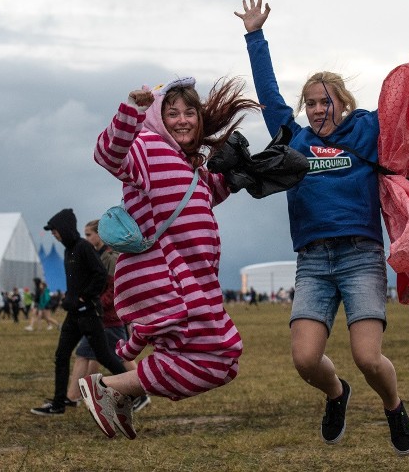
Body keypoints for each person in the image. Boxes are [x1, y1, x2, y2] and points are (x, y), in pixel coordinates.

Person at [234, 0, 409, 455]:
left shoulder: (368, 129)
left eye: (325, 100)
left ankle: (394, 407)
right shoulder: (291, 137)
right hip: (313, 261)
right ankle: (337, 394)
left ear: (343, 102)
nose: (318, 109)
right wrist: (256, 36)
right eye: (311, 102)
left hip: (360, 257)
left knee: (367, 357)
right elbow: (269, 92)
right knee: (305, 359)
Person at [86, 76, 260, 439]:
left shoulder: (187, 163)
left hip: (193, 278)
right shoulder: (147, 147)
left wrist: (238, 177)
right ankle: (112, 388)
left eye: (190, 112)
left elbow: (200, 198)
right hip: (166, 277)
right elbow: (108, 155)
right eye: (172, 113)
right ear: (158, 118)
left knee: (224, 357)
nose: (183, 120)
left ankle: (117, 391)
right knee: (215, 357)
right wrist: (131, 111)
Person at [30, 208, 128, 417]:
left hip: (89, 313)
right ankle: (58, 403)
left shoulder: (83, 247)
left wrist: (86, 297)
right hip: (74, 314)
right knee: (61, 355)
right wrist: (71, 299)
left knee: (104, 356)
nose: (53, 234)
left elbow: (100, 274)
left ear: (64, 229)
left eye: (55, 230)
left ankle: (135, 391)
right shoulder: (68, 250)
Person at [66, 220, 151, 412]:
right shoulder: (99, 255)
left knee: (121, 357)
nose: (85, 239)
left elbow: (113, 290)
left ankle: (142, 392)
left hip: (109, 317)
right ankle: (73, 397)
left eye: (89, 235)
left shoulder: (111, 257)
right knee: (85, 355)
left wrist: (93, 302)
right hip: (101, 316)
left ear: (99, 235)